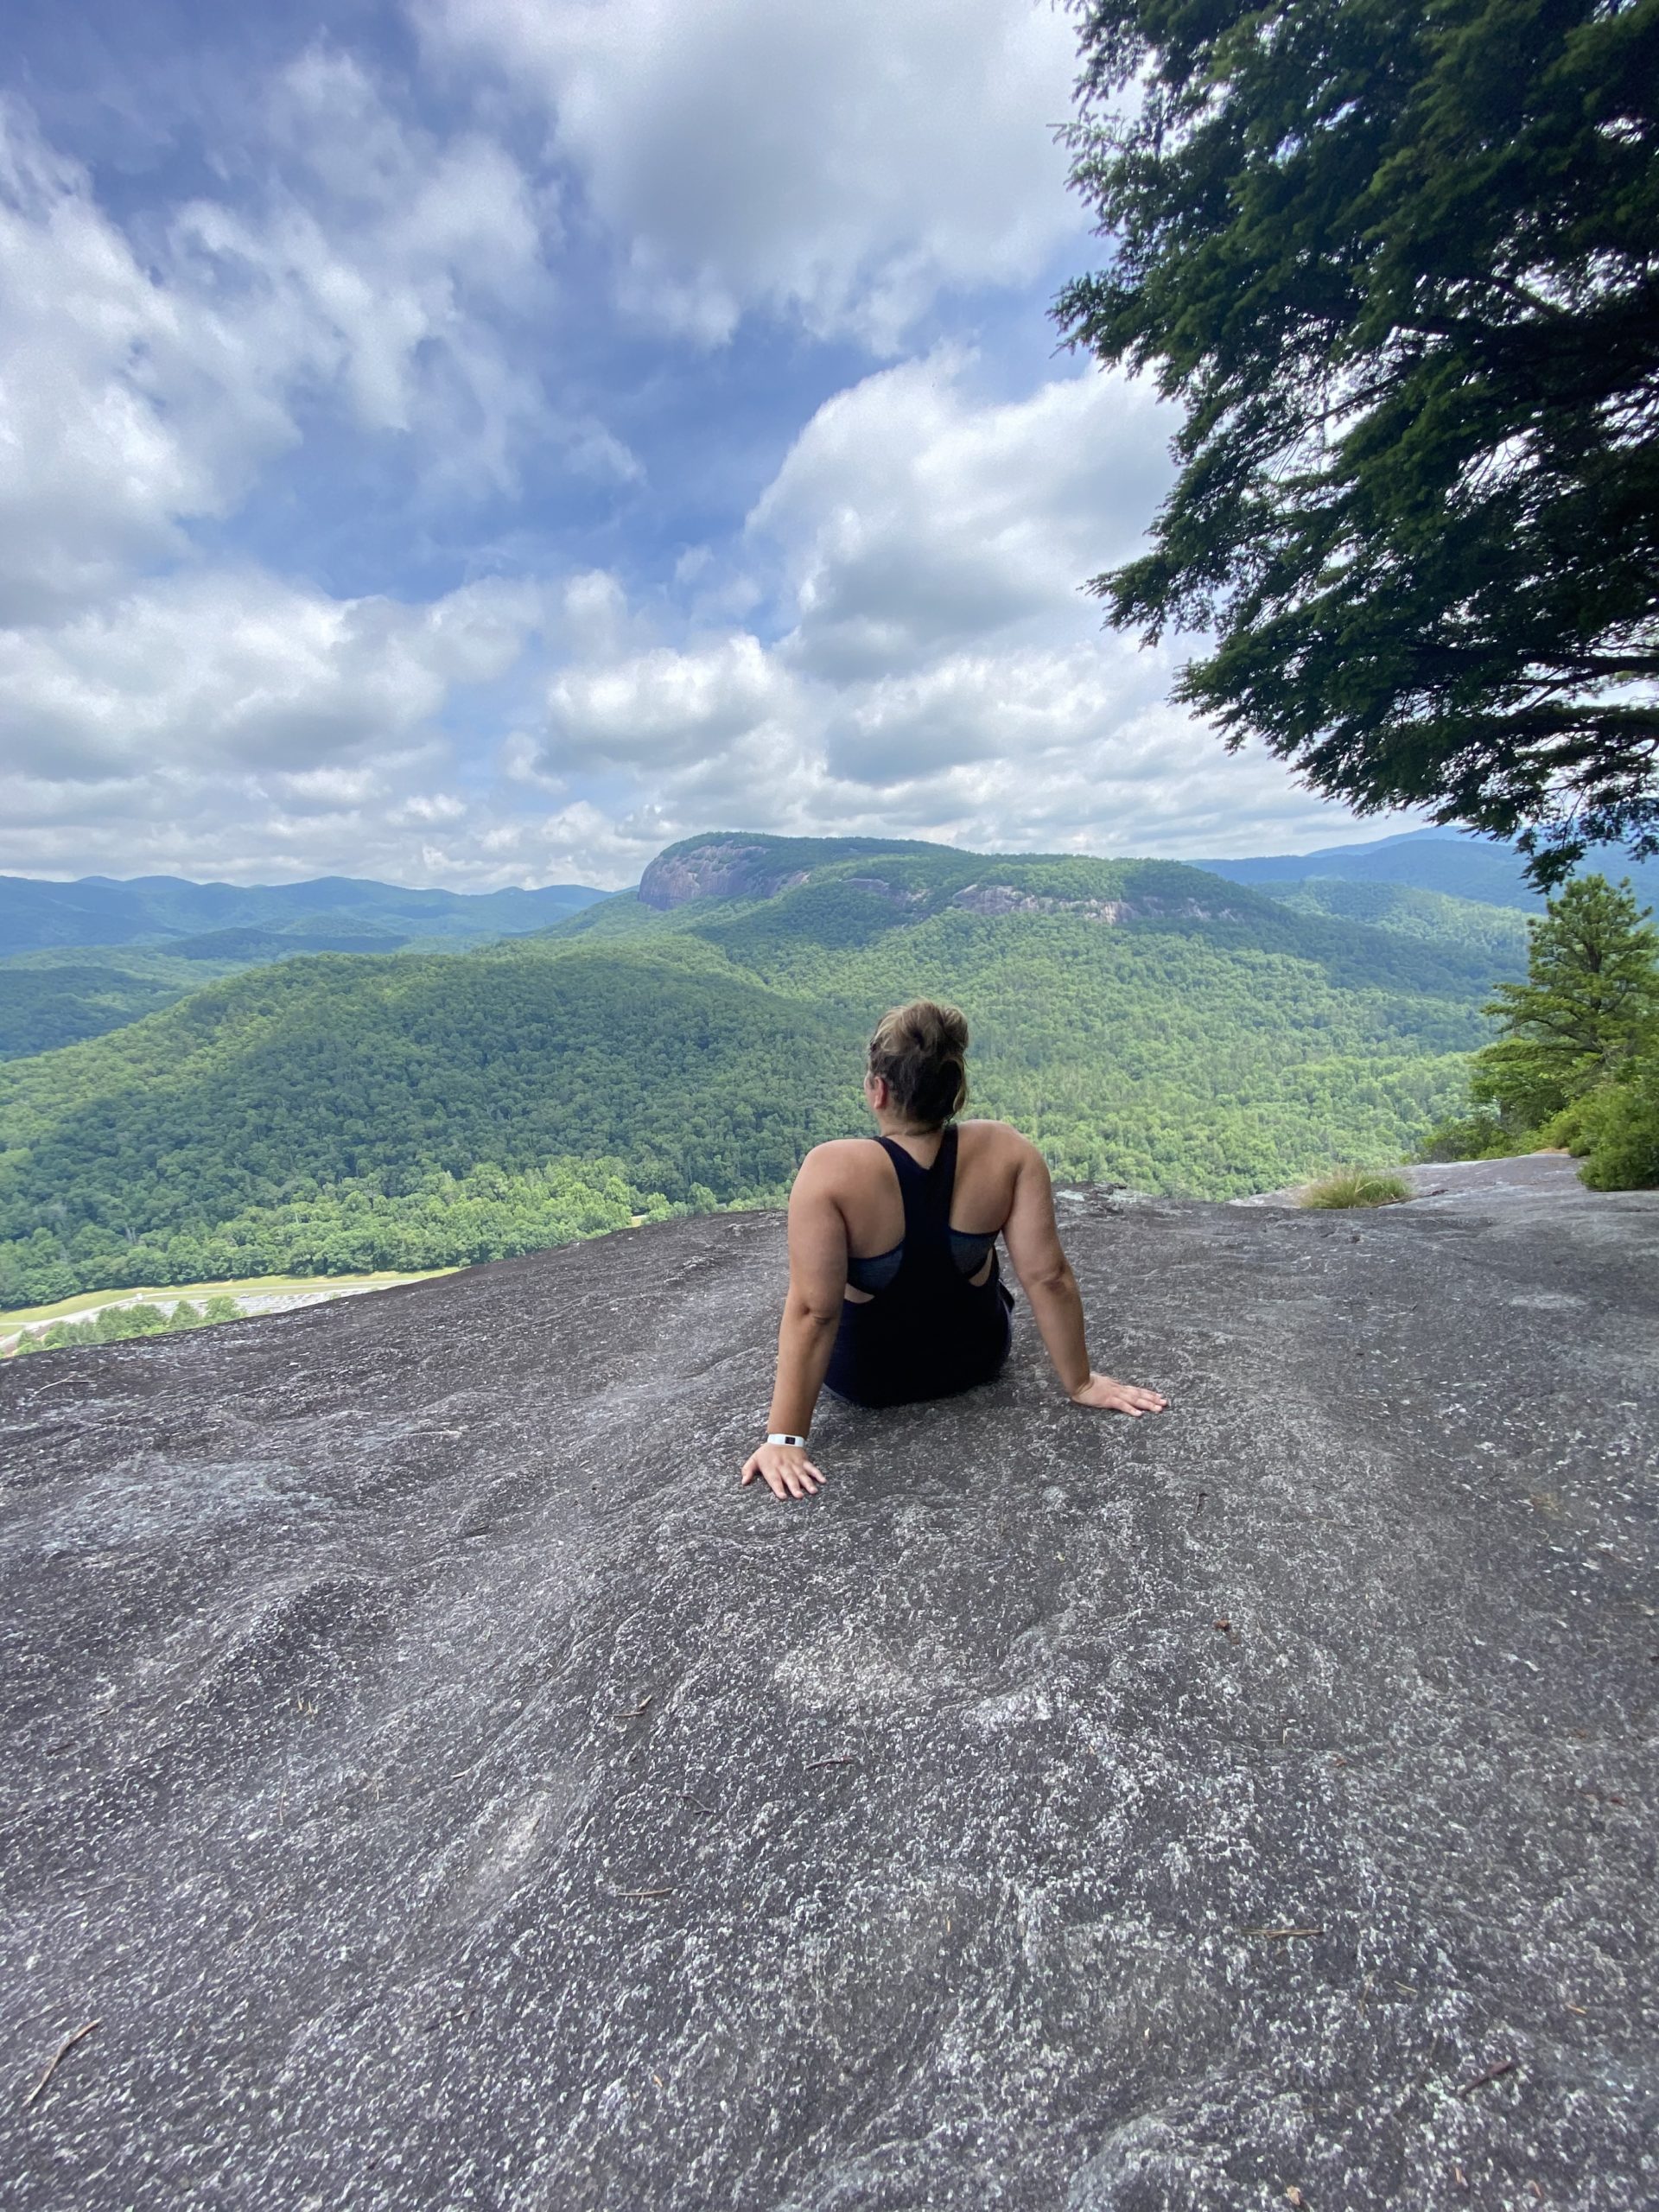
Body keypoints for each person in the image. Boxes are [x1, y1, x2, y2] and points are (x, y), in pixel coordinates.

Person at [741, 999, 1168, 1501]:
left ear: (878, 1090)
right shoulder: (1008, 1152)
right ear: (955, 1092)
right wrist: (1080, 1383)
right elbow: (1048, 1276)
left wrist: (785, 1439)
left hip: (868, 1380)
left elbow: (815, 1311)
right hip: (975, 1360)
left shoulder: (830, 1171)